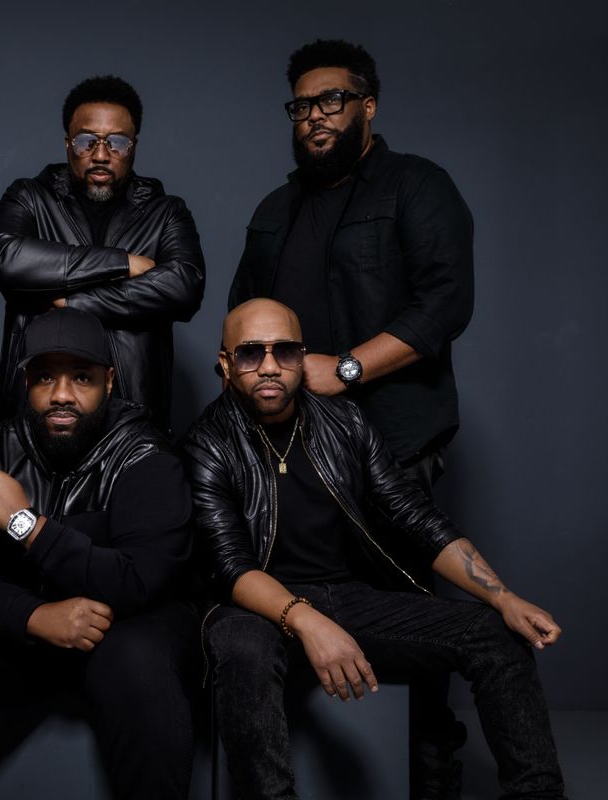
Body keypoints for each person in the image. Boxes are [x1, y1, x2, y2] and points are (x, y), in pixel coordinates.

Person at [183, 299, 565, 800]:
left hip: (346, 596)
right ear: (226, 363)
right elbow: (231, 567)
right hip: (252, 607)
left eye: (285, 351)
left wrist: (503, 596)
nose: (270, 366)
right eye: (251, 353)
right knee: (243, 648)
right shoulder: (206, 443)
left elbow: (414, 516)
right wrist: (308, 621)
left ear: (303, 357)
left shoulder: (345, 422)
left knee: (495, 633)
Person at [228, 39, 476, 794]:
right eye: (301, 105)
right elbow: (241, 315)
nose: (314, 116)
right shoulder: (274, 209)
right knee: (293, 595)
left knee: (407, 605)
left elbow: (444, 303)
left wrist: (345, 369)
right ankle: (317, 760)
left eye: (331, 100)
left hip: (393, 440)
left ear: (367, 105)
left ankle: (430, 763)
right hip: (289, 449)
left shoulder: (417, 186)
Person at [0, 307, 198, 799]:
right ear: (26, 381)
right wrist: (34, 617)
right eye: (46, 376)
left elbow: (139, 580)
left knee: (138, 654)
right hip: (19, 638)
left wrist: (23, 523)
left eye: (81, 377)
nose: (61, 395)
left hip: (115, 635)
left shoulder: (145, 455)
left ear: (109, 382)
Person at [0, 75, 205, 430]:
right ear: (67, 143)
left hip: (133, 419)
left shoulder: (166, 212)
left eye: (117, 142)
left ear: (134, 146)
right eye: (86, 141)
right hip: (34, 417)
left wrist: (75, 302)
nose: (101, 155)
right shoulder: (29, 197)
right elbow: (7, 257)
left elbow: (185, 286)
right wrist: (121, 263)